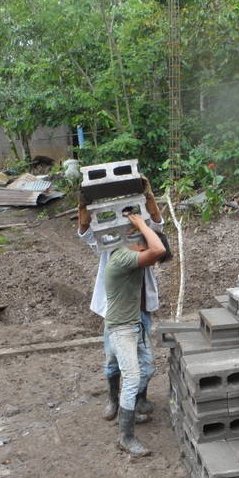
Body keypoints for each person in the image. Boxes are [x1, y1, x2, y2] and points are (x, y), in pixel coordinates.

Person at [78, 176, 164, 421]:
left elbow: (157, 222)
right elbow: (84, 231)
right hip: (115, 312)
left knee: (145, 361)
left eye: (130, 219)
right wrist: (82, 202)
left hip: (140, 307)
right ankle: (114, 399)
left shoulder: (144, 236)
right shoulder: (107, 242)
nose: (126, 225)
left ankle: (139, 398)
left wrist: (148, 196)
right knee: (113, 361)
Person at [104, 212, 165, 456]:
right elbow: (158, 249)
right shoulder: (122, 257)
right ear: (135, 240)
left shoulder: (129, 256)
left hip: (134, 325)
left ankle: (130, 412)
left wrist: (146, 218)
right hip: (121, 329)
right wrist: (139, 223)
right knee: (130, 379)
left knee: (147, 368)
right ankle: (126, 438)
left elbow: (158, 245)